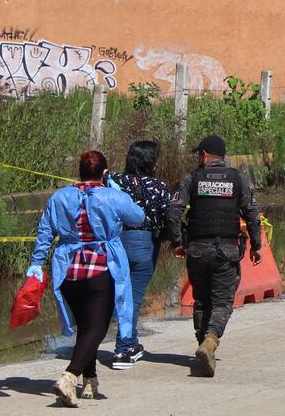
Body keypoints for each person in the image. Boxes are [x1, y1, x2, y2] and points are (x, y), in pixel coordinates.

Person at [27, 151, 144, 407]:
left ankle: (90, 380)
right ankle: (70, 376)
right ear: (104, 173)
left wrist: (36, 262)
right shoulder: (112, 196)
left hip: (68, 270)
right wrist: (117, 192)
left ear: (79, 171)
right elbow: (138, 217)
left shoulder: (60, 197)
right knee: (97, 328)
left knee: (85, 327)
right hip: (100, 269)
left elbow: (45, 231)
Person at [168, 135, 263, 378]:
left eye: (199, 154)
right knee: (221, 303)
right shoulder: (238, 180)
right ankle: (210, 342)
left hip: (197, 250)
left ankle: (203, 345)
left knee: (201, 301)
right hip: (227, 252)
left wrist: (178, 242)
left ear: (205, 155)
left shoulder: (192, 179)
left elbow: (174, 209)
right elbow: (252, 213)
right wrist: (256, 245)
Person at [106, 141, 173, 369]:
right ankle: (123, 350)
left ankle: (131, 342)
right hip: (145, 244)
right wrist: (176, 241)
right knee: (132, 299)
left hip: (116, 244)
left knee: (119, 295)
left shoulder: (114, 181)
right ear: (150, 162)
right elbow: (169, 216)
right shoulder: (159, 187)